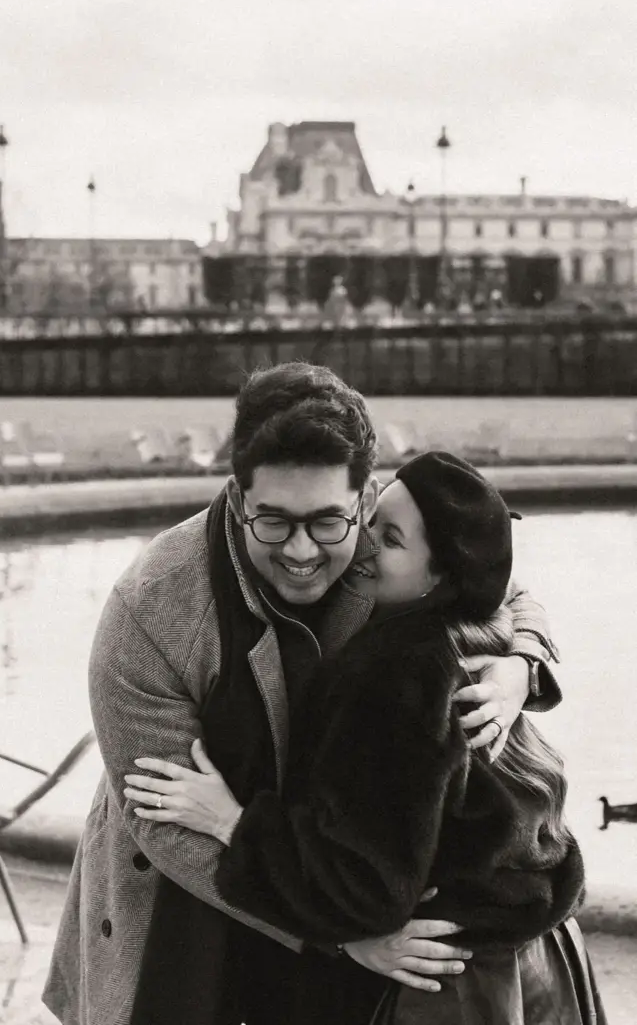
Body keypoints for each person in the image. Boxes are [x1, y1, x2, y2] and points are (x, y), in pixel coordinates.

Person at [42, 364, 560, 1025]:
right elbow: (163, 821)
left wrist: (521, 665)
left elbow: (501, 588)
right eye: (274, 522)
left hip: (337, 882)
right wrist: (339, 936)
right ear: (238, 498)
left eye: (325, 523)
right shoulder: (147, 612)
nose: (300, 551)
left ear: (365, 498)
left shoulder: (383, 544)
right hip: (190, 906)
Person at [128, 451, 605, 1025]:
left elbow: (363, 891)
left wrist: (232, 822)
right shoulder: (476, 637)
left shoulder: (395, 674)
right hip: (538, 962)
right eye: (372, 521)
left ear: (441, 576)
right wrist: (522, 663)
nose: (363, 543)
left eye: (391, 539)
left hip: (442, 988)